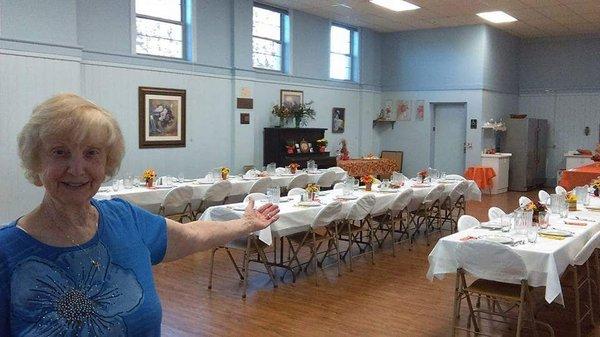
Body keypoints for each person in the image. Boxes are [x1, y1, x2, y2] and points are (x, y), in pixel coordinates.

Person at [0, 93, 280, 336]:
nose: (77, 168)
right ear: (36, 161)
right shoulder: (6, 252)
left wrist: (246, 223)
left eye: (91, 153)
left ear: (106, 163)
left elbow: (192, 234)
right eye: (60, 152)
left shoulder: (126, 220)